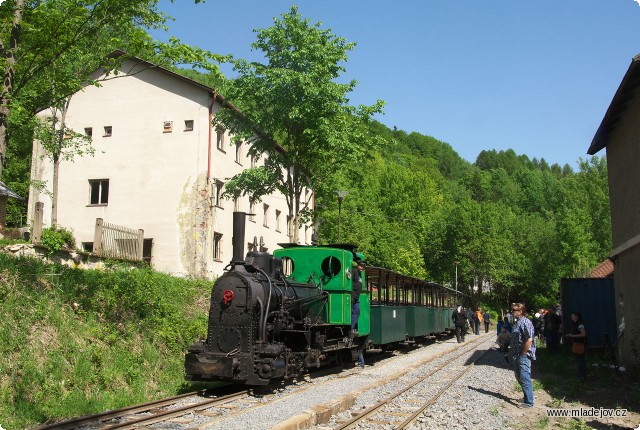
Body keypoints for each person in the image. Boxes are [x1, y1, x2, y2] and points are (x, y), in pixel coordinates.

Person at [509, 302, 536, 408]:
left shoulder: (525, 322)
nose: (512, 312)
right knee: (519, 377)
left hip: (523, 355)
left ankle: (529, 402)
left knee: (524, 377)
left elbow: (529, 339)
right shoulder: (518, 322)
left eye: (514, 310)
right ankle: (526, 398)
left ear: (520, 312)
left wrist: (523, 352)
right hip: (517, 354)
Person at [351, 258, 365, 368]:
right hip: (353, 298)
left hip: (356, 298)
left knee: (357, 312)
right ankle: (351, 328)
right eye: (361, 266)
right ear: (358, 265)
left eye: (363, 266)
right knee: (355, 312)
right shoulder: (354, 271)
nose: (362, 268)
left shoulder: (359, 274)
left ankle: (353, 327)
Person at [567, 312, 586, 382]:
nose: (571, 317)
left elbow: (583, 334)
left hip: (580, 344)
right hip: (576, 344)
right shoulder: (575, 324)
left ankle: (582, 377)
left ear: (577, 317)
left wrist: (572, 336)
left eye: (573, 316)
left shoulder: (580, 325)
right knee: (578, 361)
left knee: (581, 362)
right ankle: (580, 375)